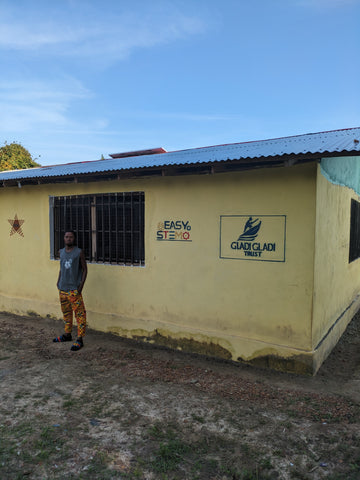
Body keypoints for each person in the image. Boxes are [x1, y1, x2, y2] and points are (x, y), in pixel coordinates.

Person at [53, 231, 87, 351]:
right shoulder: (60, 252)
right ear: (64, 238)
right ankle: (67, 335)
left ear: (74, 239)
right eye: (66, 237)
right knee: (66, 313)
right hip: (62, 289)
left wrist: (80, 286)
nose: (68, 239)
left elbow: (84, 270)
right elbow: (61, 269)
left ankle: (80, 339)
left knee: (79, 314)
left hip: (74, 290)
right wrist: (58, 282)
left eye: (71, 237)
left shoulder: (79, 252)